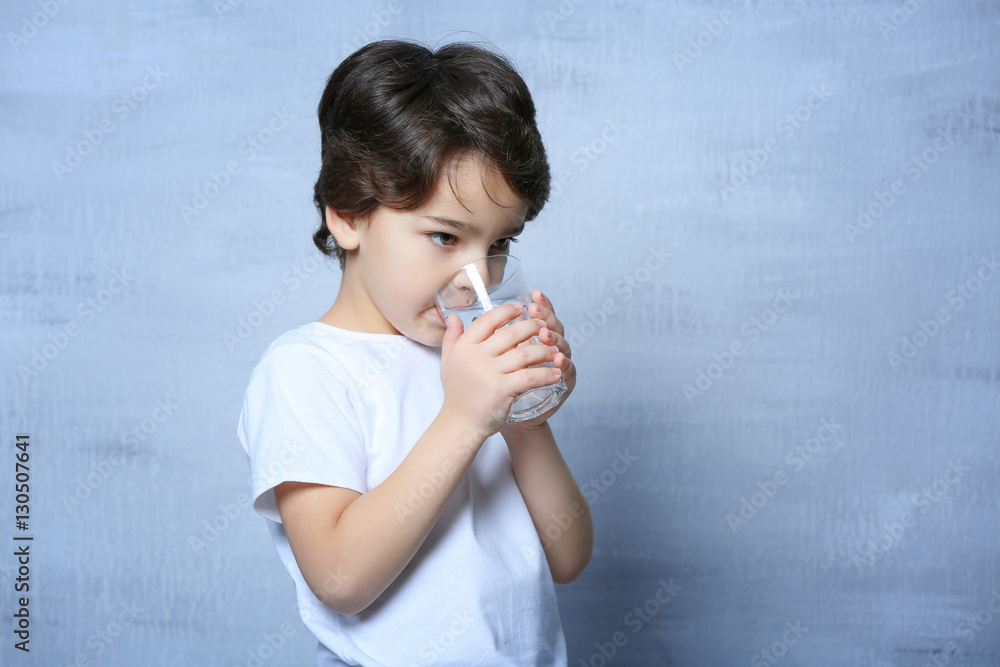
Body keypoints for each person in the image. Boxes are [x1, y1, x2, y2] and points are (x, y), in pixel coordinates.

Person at [237, 39, 592, 666]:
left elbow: (568, 557)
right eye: (444, 236)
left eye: (500, 243)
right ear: (347, 215)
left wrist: (526, 418)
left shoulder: (469, 360)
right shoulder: (306, 372)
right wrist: (464, 419)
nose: (476, 275)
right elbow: (341, 579)